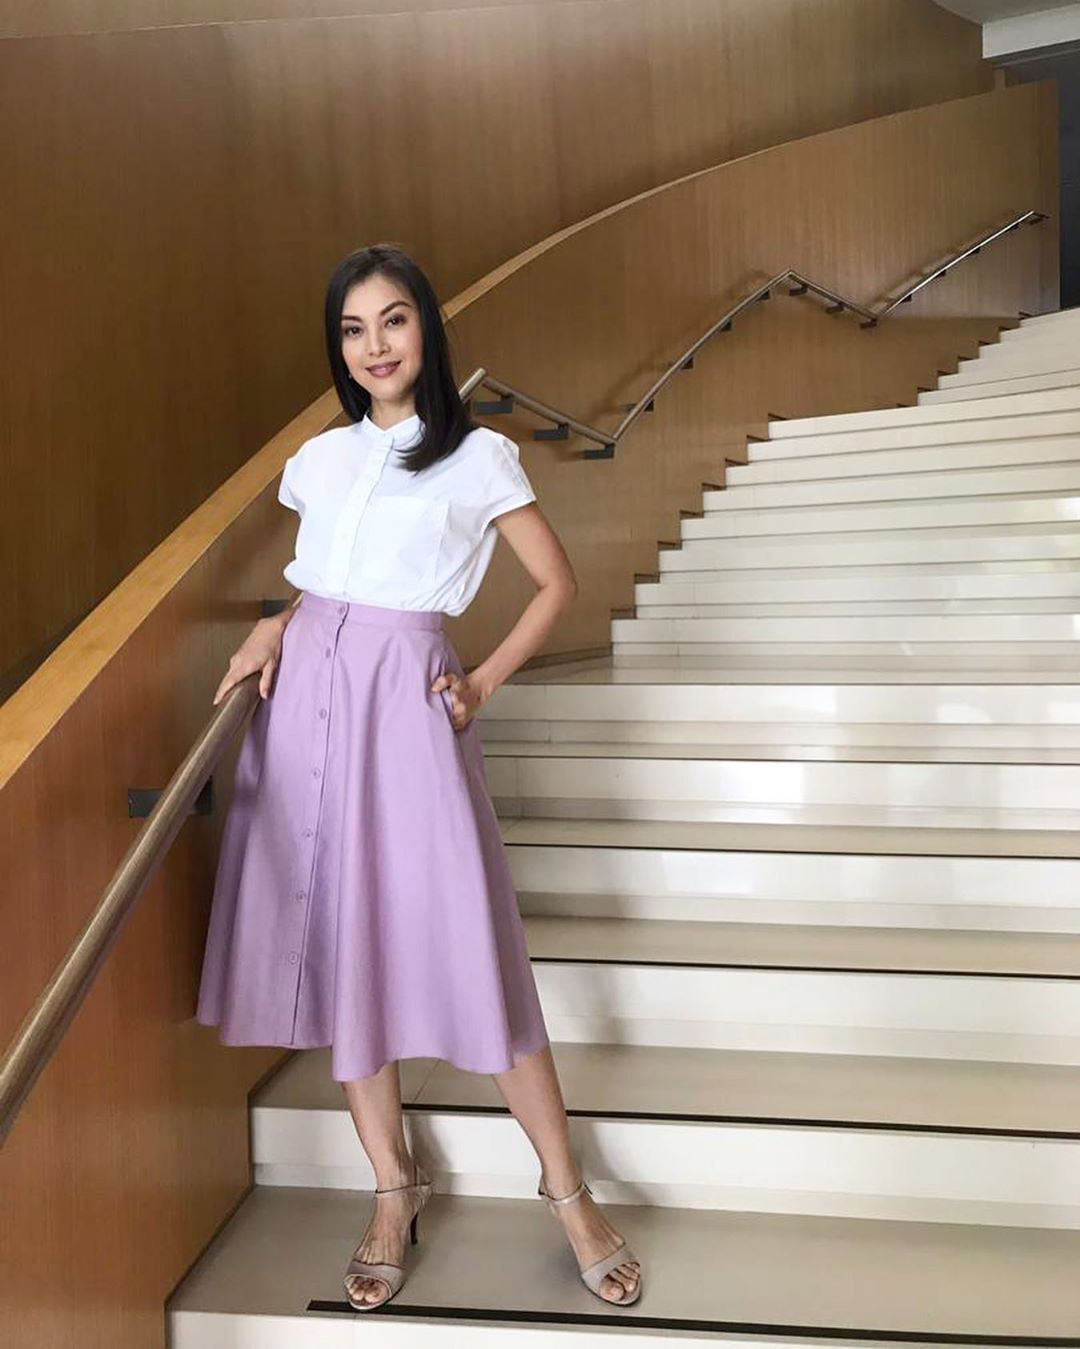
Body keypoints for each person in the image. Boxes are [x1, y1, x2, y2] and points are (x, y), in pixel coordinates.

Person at [195, 243, 643, 1312]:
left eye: (393, 320)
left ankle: (568, 1190)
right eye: (353, 330)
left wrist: (480, 680)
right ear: (339, 348)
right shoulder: (319, 459)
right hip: (305, 707)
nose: (375, 345)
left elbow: (555, 581)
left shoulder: (478, 455)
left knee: (470, 938)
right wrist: (273, 627)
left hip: (406, 705)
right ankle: (393, 1189)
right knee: (344, 940)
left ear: (426, 330)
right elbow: (328, 582)